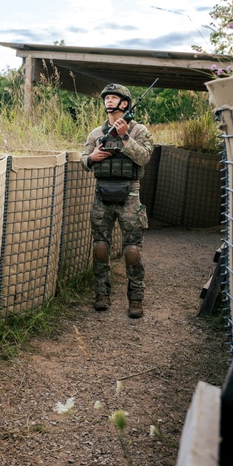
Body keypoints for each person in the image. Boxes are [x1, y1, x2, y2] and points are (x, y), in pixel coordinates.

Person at [82, 84, 155, 319]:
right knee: (100, 248)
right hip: (102, 195)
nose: (109, 101)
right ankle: (101, 294)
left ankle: (135, 299)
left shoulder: (139, 131)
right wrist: (91, 158)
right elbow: (84, 160)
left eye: (114, 98)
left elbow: (144, 158)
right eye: (107, 98)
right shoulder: (95, 133)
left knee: (132, 251)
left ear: (125, 103)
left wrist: (124, 138)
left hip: (130, 196)